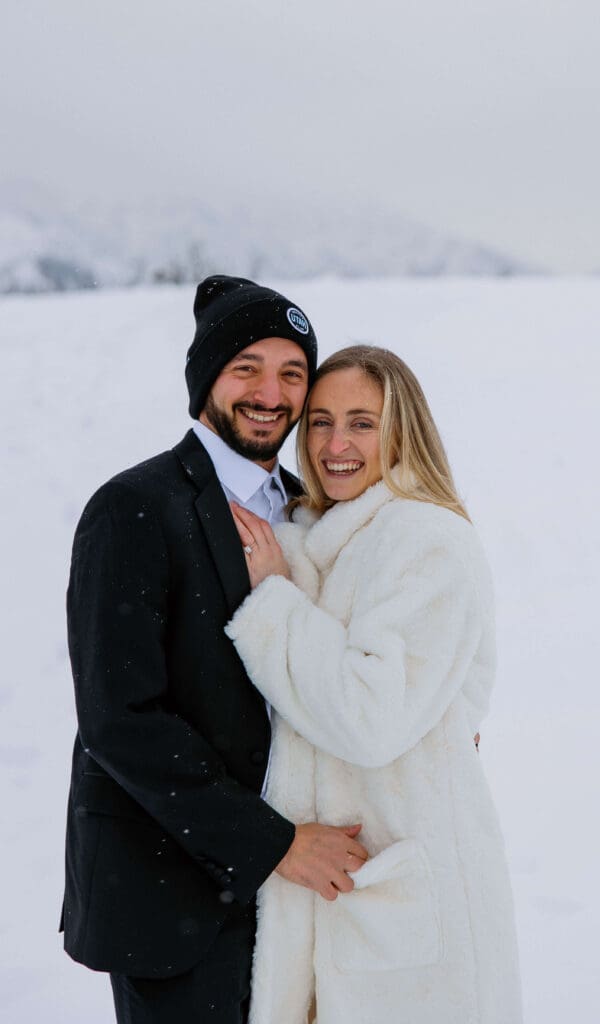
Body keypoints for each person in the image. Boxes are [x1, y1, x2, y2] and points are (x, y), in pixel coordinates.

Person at [61, 277, 368, 1024]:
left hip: (295, 901)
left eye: (291, 373)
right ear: (206, 380)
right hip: (173, 897)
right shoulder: (134, 507)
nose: (271, 392)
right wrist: (272, 845)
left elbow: (336, 663)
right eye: (246, 369)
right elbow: (122, 720)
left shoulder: (310, 510)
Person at [228, 345, 523, 1024]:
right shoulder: (309, 536)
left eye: (362, 422)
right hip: (321, 887)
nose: (336, 444)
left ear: (402, 428)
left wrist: (274, 603)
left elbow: (369, 719)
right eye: (322, 422)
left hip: (405, 890)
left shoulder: (426, 542)